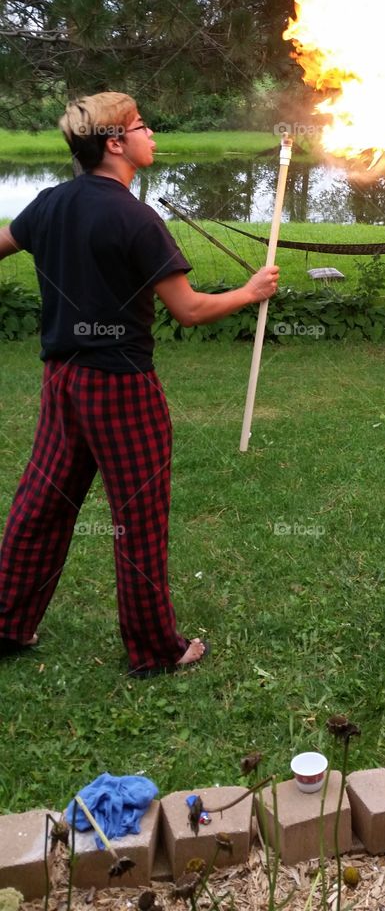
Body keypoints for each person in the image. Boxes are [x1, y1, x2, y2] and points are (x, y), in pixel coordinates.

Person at [0, 92, 279, 678]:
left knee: (41, 505)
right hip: (121, 386)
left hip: (62, 381)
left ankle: (6, 623)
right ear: (114, 143)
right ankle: (156, 649)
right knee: (138, 515)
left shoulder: (49, 204)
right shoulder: (134, 217)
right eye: (142, 126)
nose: (152, 134)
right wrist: (251, 292)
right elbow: (192, 310)